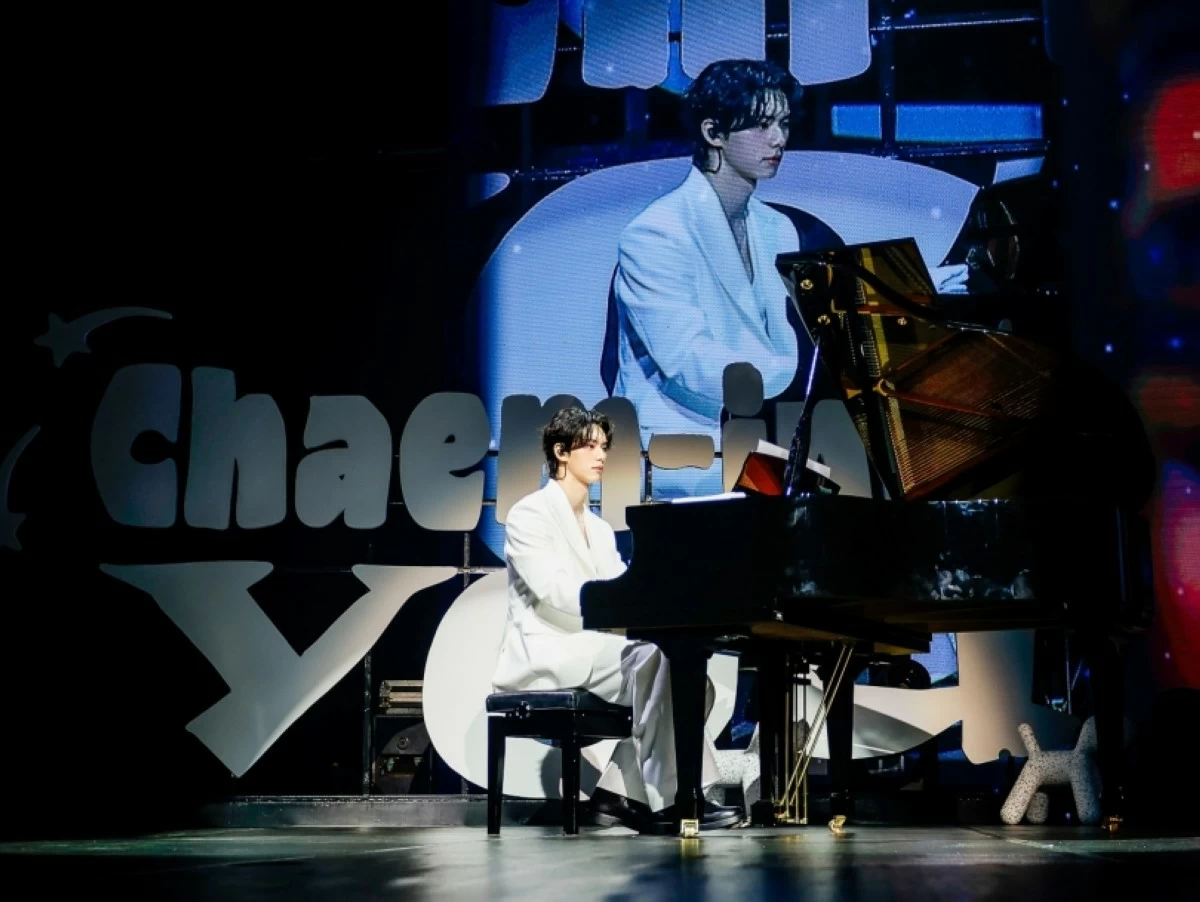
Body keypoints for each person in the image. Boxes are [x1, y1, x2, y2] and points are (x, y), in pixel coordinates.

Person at [609, 58, 967, 495]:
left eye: (782, 123)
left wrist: (910, 287)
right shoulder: (656, 232)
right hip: (672, 451)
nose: (779, 139)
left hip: (755, 445)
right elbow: (687, 361)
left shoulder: (776, 227)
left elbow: (826, 300)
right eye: (761, 125)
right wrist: (797, 372)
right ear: (712, 133)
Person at [491, 406, 740, 833]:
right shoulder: (528, 514)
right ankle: (675, 800)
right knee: (661, 660)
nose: (601, 454)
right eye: (590, 445)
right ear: (561, 452)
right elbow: (552, 588)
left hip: (597, 648)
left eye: (604, 446)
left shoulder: (601, 529)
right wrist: (618, 605)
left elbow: (621, 587)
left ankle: (617, 794)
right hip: (551, 649)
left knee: (695, 681)